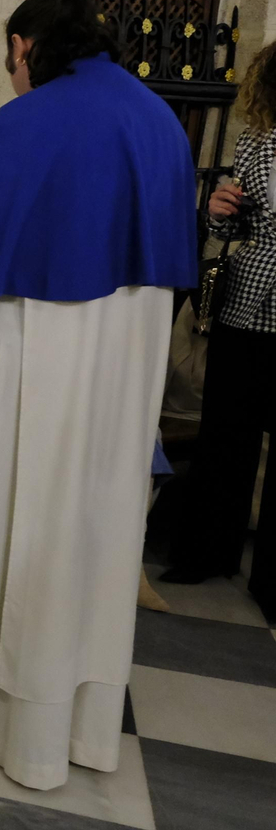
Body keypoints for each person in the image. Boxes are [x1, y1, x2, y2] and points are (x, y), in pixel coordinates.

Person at [0, 0, 197, 790]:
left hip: (23, 375)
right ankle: (76, 732)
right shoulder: (161, 122)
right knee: (89, 535)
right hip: (118, 387)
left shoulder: (27, 121)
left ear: (24, 45)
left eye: (9, 57)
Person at [158, 39, 276, 622]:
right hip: (246, 305)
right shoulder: (256, 140)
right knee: (226, 434)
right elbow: (231, 231)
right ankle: (207, 553)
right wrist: (219, 211)